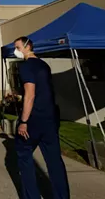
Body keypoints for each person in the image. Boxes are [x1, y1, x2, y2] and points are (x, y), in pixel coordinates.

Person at [13, 36, 70, 199]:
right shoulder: (44, 65)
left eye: (17, 47)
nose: (16, 51)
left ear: (27, 46)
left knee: (24, 155)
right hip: (50, 118)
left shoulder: (26, 66)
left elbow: (30, 95)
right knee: (54, 161)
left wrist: (23, 121)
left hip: (33, 118)